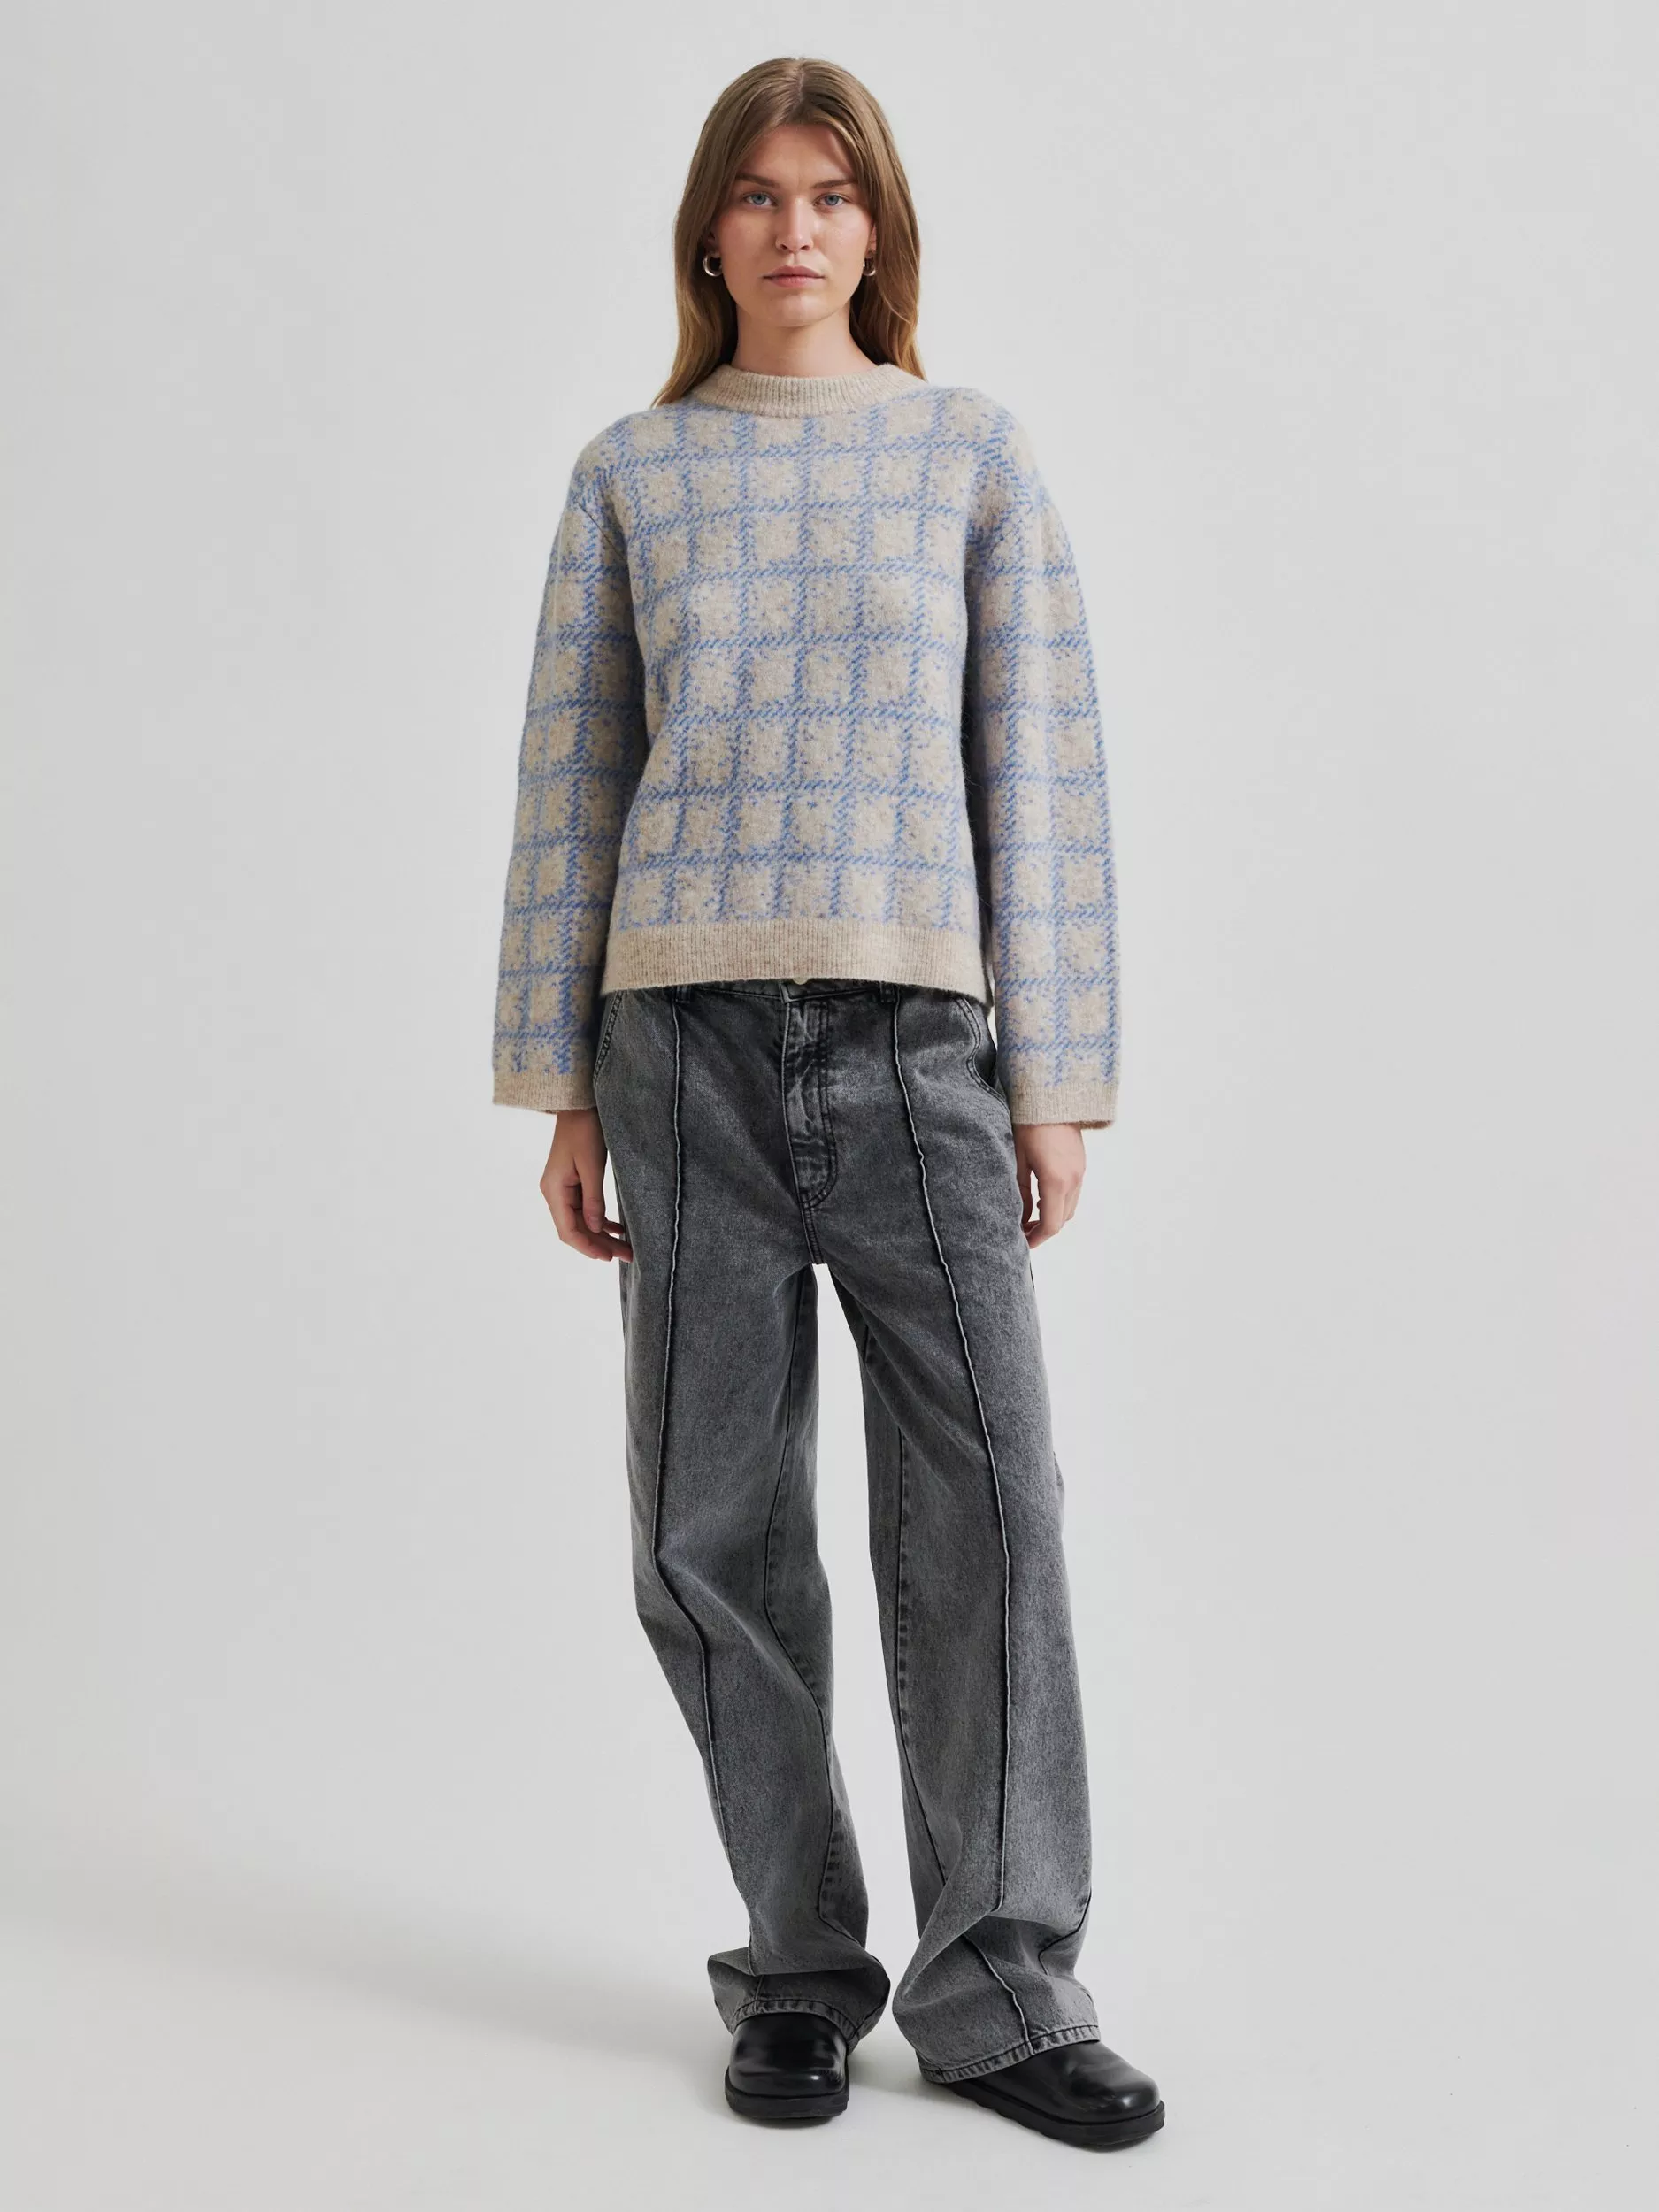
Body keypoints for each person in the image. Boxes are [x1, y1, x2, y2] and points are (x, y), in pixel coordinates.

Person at [491, 55, 1164, 2153]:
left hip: (917, 1051)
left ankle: (1001, 1982)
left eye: (832, 191)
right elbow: (573, 779)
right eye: (760, 192)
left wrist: (1055, 1075)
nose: (796, 225)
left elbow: (1037, 761)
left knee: (990, 1506)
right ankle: (796, 1965)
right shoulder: (632, 472)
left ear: (879, 229)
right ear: (709, 232)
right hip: (676, 1049)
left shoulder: (968, 455)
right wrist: (559, 1082)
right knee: (707, 1528)